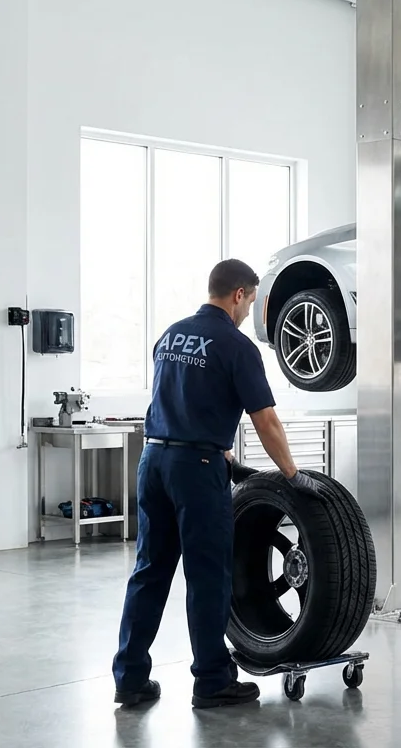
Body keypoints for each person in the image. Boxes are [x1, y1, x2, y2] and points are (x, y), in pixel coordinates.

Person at [112, 258, 320, 709]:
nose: (248, 312)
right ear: (239, 294)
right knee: (207, 576)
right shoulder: (236, 346)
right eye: (250, 301)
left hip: (154, 460)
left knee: (149, 571)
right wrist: (292, 474)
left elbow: (182, 398)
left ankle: (129, 677)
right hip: (196, 469)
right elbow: (265, 420)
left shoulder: (170, 336)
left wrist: (219, 450)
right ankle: (212, 680)